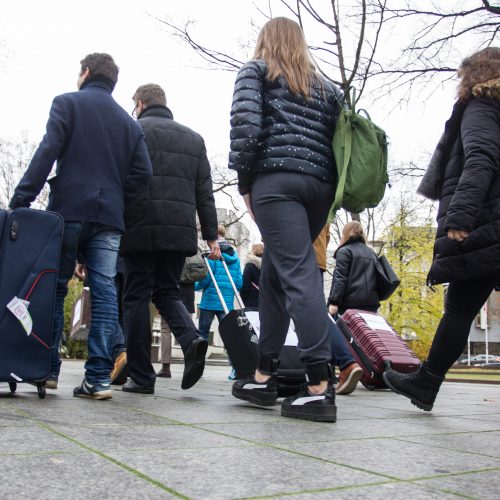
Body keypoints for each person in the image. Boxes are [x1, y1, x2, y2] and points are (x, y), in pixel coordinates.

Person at [9, 53, 152, 400]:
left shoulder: (67, 104)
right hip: (109, 219)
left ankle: (48, 370)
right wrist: (119, 196)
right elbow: (143, 174)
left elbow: (47, 152)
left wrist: (21, 201)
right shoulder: (130, 124)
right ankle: (98, 379)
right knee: (104, 294)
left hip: (68, 211)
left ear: (85, 73)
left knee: (54, 288)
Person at [228, 17, 343, 422]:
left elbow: (245, 126)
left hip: (277, 183)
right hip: (320, 189)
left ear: (265, 41)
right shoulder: (328, 88)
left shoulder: (255, 71)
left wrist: (245, 182)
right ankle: (264, 375)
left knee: (297, 275)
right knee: (276, 274)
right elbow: (336, 141)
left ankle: (318, 387)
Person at [383, 47, 500, 411]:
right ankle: (426, 382)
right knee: (460, 305)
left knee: (461, 307)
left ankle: (426, 382)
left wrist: (460, 217)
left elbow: (480, 158)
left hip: (485, 223)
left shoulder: (481, 107)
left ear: (474, 75)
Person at [120, 83, 219, 394]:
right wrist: (212, 234)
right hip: (179, 231)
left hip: (139, 226)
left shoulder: (132, 131)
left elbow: (118, 180)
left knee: (136, 295)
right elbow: (205, 193)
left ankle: (142, 376)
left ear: (140, 103)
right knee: (166, 292)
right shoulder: (194, 138)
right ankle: (191, 341)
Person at [314, 223, 363, 396]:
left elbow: (340, 277)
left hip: (298, 256)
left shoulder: (345, 251)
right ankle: (343, 365)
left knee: (312, 315)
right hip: (316, 258)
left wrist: (334, 301)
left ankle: (342, 364)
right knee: (313, 314)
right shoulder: (369, 252)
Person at [195, 226, 243, 342]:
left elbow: (206, 279)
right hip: (226, 304)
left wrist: (193, 286)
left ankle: (199, 360)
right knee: (229, 336)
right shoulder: (235, 258)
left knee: (203, 333)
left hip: (209, 302)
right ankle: (233, 360)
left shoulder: (213, 254)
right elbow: (238, 284)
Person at [157, 282, 196, 378]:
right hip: (187, 295)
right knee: (186, 330)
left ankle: (165, 367)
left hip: (169, 291)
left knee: (165, 329)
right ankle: (190, 368)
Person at [240, 242, 263, 308]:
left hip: (252, 300)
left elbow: (245, 285)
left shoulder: (250, 265)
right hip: (266, 301)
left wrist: (243, 299)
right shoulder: (268, 266)